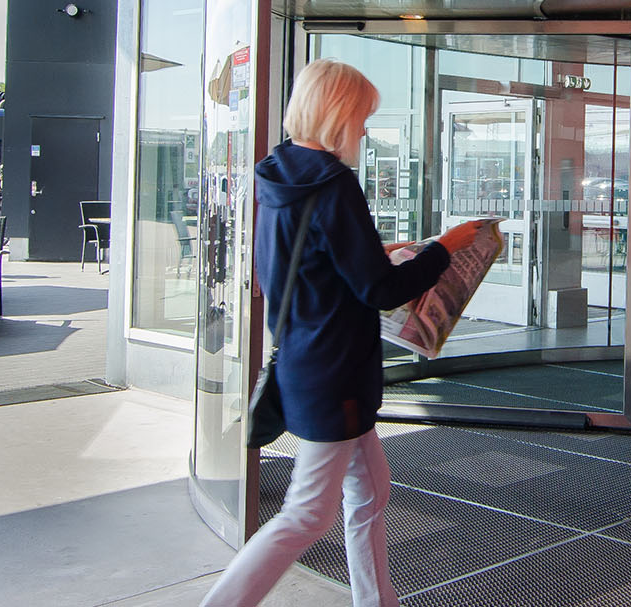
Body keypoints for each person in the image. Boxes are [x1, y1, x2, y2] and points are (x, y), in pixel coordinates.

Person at [199, 59, 484, 607]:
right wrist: (446, 248)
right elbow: (380, 293)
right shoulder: (334, 184)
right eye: (361, 117)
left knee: (371, 492)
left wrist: (375, 254)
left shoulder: (276, 175)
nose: (364, 130)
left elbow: (295, 265)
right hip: (336, 371)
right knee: (307, 514)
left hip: (309, 356)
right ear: (338, 113)